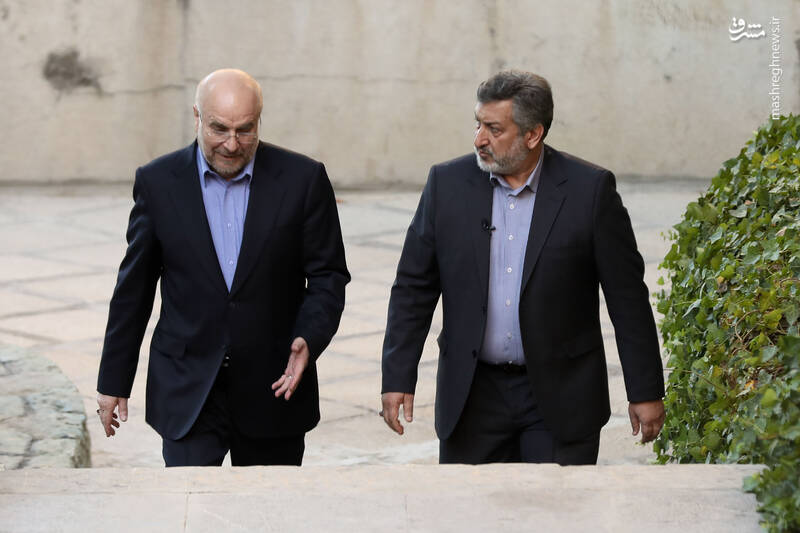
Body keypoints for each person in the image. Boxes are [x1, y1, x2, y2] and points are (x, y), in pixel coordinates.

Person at [380, 70, 665, 464]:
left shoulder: (590, 191)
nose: (479, 139)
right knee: (469, 502)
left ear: (533, 135)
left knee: (557, 503)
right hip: (472, 397)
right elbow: (413, 287)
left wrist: (645, 390)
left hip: (562, 397)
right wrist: (397, 375)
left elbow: (627, 297)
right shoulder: (447, 185)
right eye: (478, 124)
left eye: (494, 129)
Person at [96, 68, 350, 467]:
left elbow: (328, 275)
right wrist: (114, 380)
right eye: (219, 129)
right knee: (190, 503)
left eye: (245, 130)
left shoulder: (303, 180)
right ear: (197, 117)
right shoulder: (158, 182)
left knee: (267, 506)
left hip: (274, 390)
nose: (232, 144)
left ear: (259, 121)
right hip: (187, 389)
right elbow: (134, 289)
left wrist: (310, 335)